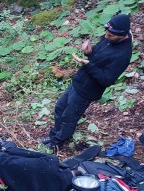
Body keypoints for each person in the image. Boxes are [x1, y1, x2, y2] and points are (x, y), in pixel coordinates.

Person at [40, 14, 132, 149]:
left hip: (87, 91)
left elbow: (107, 79)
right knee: (60, 107)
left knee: (69, 117)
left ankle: (57, 143)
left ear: (122, 35)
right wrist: (89, 52)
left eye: (110, 35)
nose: (106, 36)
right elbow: (98, 56)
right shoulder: (110, 38)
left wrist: (88, 65)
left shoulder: (123, 55)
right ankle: (54, 135)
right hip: (78, 82)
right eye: (106, 32)